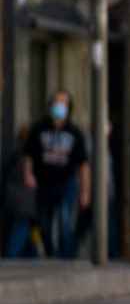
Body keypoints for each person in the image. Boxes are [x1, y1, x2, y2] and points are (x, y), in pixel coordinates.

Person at [22, 91, 91, 258]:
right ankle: (51, 253)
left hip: (67, 183)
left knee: (65, 222)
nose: (59, 106)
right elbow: (28, 155)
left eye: (63, 103)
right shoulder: (39, 129)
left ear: (69, 107)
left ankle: (65, 256)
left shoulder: (74, 133)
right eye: (57, 102)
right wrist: (28, 174)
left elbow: (83, 165)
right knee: (43, 222)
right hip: (43, 183)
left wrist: (85, 191)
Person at [4, 125, 40, 258]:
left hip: (19, 203)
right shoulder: (25, 157)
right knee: (21, 230)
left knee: (30, 233)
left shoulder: (15, 155)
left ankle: (33, 255)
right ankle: (12, 255)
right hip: (24, 205)